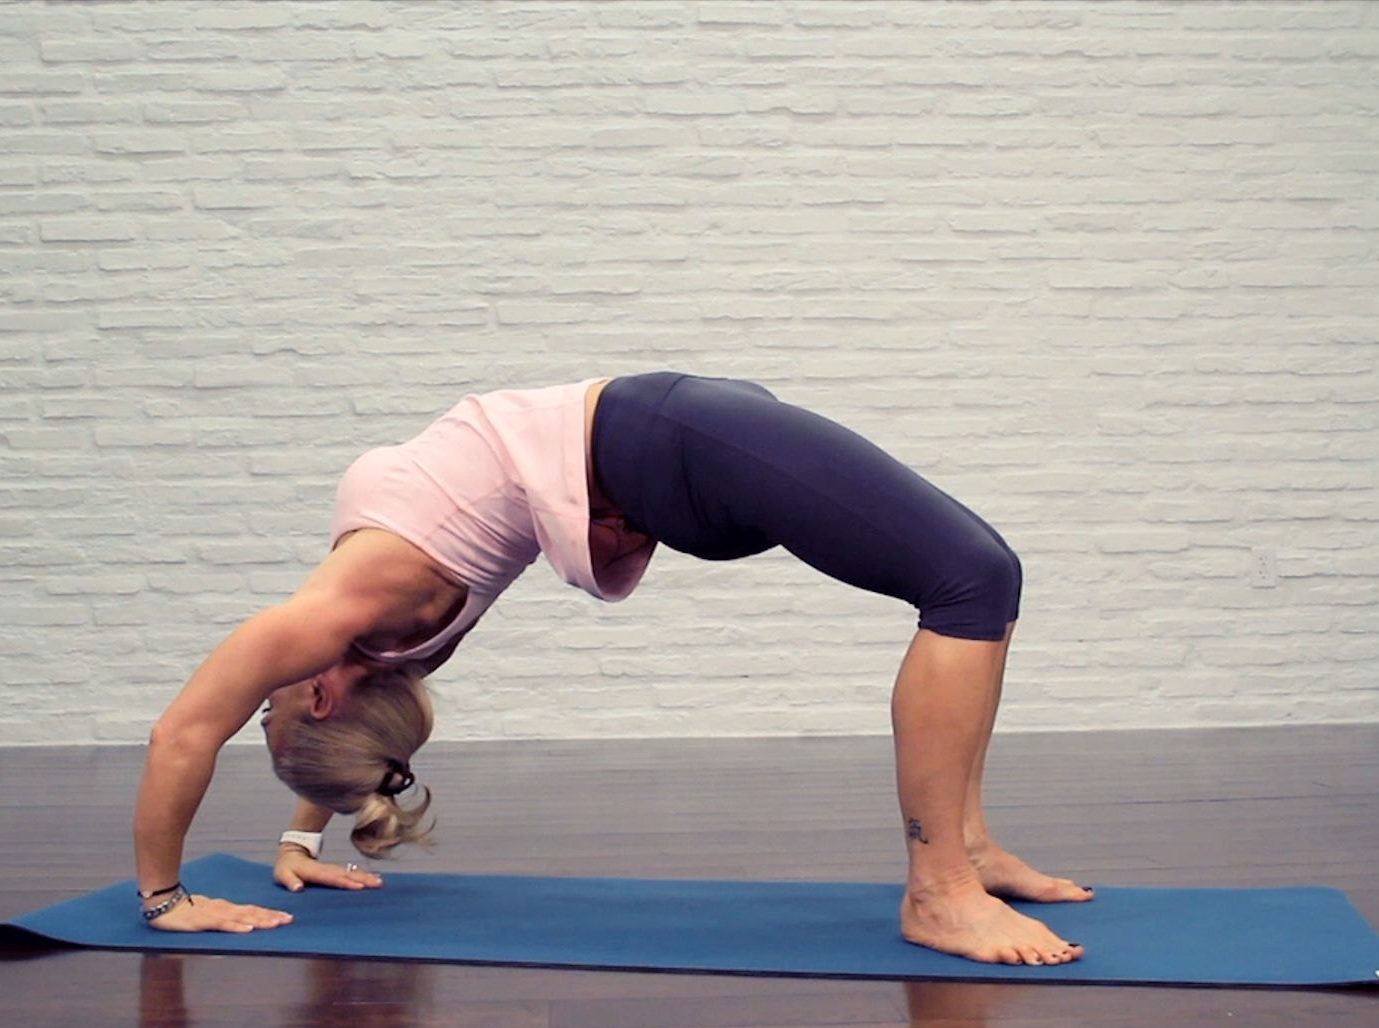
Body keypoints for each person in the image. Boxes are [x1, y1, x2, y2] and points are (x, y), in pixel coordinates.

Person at [132, 373, 1089, 967]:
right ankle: (938, 890)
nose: (260, 701)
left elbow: (320, 734)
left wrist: (302, 841)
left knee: (978, 578)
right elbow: (194, 734)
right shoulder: (341, 625)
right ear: (324, 690)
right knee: (971, 578)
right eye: (275, 712)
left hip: (662, 461)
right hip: (659, 439)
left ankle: (965, 852)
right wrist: (166, 901)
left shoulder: (361, 629)